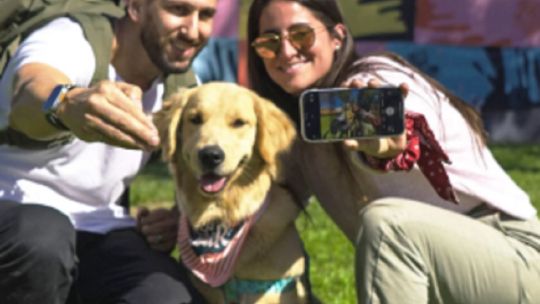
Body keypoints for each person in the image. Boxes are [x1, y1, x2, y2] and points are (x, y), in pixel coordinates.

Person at [246, 0, 540, 303]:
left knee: (387, 226)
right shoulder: (305, 131)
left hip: (515, 254)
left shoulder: (375, 77)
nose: (286, 51)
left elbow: (408, 125)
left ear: (337, 37)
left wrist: (387, 150)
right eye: (269, 42)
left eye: (301, 35)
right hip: (444, 271)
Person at [0, 0, 218, 303]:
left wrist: (177, 219)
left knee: (167, 294)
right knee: (45, 238)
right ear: (135, 8)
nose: (193, 31)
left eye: (205, 15)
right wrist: (67, 103)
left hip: (100, 227)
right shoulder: (69, 38)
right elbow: (28, 91)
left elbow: (208, 173)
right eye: (178, 10)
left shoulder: (183, 86)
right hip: (14, 208)